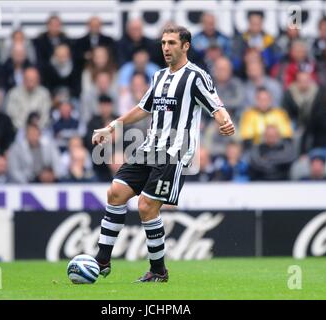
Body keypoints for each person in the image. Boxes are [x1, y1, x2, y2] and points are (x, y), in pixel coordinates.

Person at [90, 25, 235, 282]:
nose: (166, 48)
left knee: (147, 206)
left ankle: (158, 270)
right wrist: (111, 127)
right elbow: (141, 108)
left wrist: (225, 121)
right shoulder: (158, 77)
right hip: (149, 148)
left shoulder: (196, 76)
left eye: (171, 43)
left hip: (174, 151)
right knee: (115, 192)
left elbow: (216, 104)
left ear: (185, 46)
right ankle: (102, 260)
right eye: (163, 43)